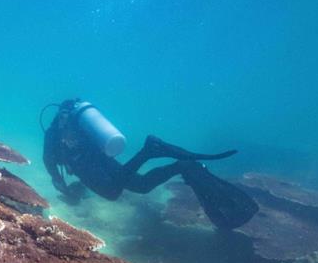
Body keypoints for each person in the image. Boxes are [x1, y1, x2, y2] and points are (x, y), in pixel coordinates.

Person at [42, 99, 258, 230]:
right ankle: (179, 166)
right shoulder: (77, 126)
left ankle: (147, 151)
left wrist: (62, 186)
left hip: (87, 165)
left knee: (112, 191)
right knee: (141, 185)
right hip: (101, 158)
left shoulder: (52, 133)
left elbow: (49, 163)